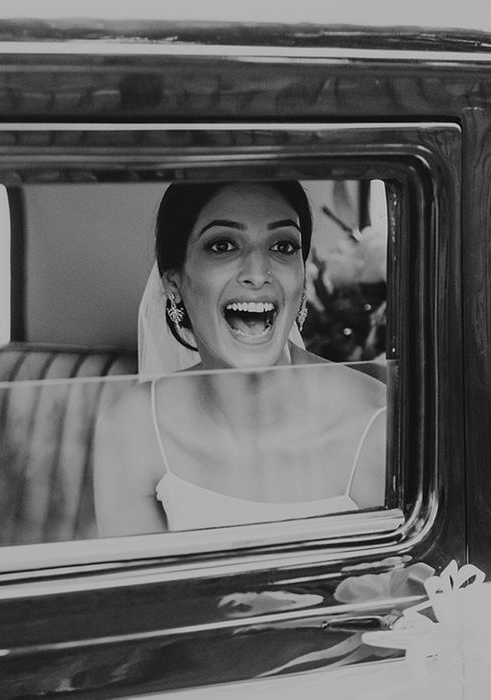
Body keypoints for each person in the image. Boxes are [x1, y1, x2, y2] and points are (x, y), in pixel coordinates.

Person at [93, 181, 387, 536]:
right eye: (222, 246)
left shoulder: (378, 426)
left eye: (282, 246)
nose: (258, 273)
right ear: (174, 282)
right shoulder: (133, 427)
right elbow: (133, 587)